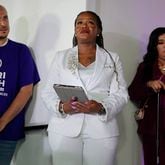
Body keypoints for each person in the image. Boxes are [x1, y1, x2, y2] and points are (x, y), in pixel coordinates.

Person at [41, 11, 128, 165]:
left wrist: (101, 107)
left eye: (90, 22)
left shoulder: (112, 58)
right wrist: (61, 107)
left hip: (101, 129)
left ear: (99, 30)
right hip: (64, 128)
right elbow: (48, 92)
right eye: (79, 23)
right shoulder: (61, 57)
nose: (84, 26)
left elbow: (121, 94)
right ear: (75, 29)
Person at [0, 5, 40, 165]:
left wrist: (2, 122)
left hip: (7, 131)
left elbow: (26, 91)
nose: (3, 24)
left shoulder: (21, 51)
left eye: (5, 18)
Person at [128, 27, 165, 165]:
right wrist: (149, 84)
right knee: (151, 161)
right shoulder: (146, 67)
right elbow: (132, 92)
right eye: (160, 42)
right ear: (154, 46)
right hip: (152, 126)